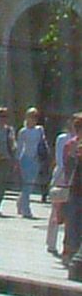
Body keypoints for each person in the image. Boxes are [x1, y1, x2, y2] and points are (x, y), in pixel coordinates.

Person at [47, 117, 73, 256]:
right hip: (62, 175)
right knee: (56, 210)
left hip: (74, 178)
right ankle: (51, 242)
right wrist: (66, 173)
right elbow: (59, 158)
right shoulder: (63, 138)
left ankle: (67, 246)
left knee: (70, 213)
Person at [16, 106, 46, 218]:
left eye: (35, 117)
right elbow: (19, 147)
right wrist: (17, 161)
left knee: (30, 183)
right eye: (31, 116)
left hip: (36, 158)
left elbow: (42, 144)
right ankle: (26, 208)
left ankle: (20, 203)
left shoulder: (39, 130)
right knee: (26, 184)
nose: (33, 119)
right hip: (25, 158)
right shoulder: (23, 131)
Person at [61, 113, 82, 264]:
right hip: (75, 188)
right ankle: (69, 253)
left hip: (76, 188)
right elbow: (67, 168)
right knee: (72, 222)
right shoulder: (70, 145)